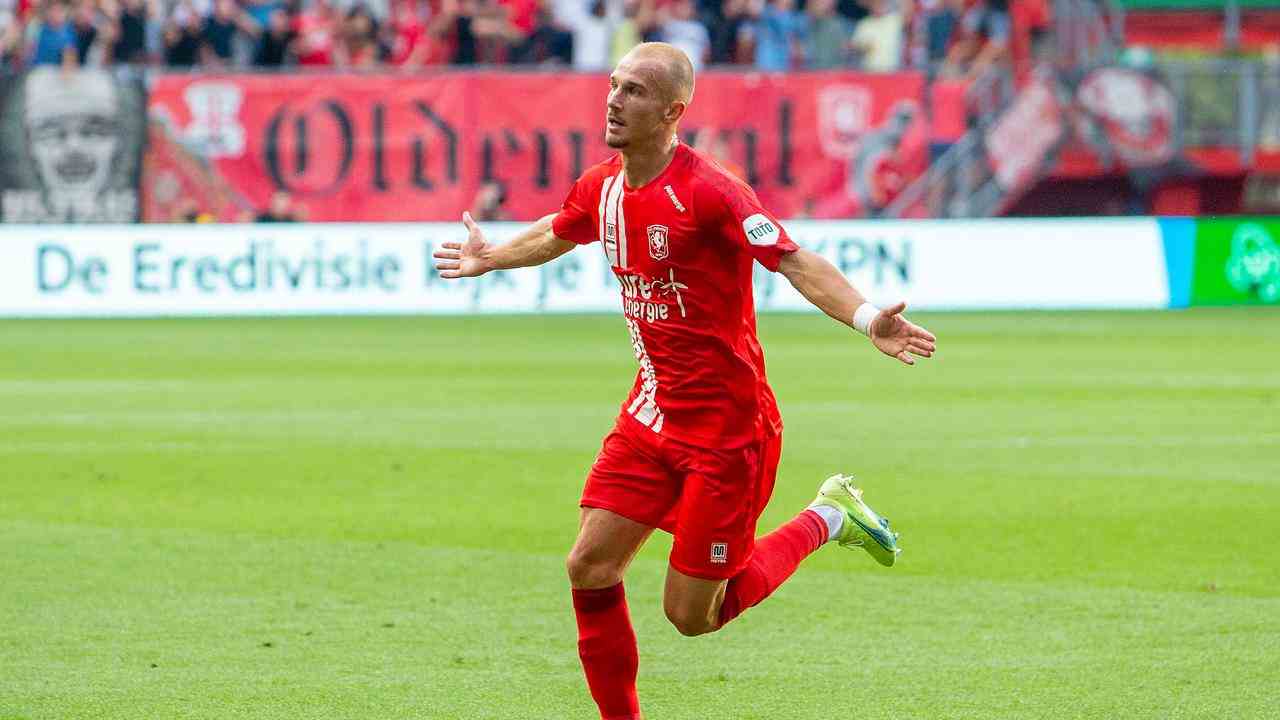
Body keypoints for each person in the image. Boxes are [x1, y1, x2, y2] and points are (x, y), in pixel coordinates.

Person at [432, 42, 936, 720]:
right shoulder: (603, 187)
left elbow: (792, 261)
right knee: (589, 566)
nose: (614, 100)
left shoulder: (711, 192)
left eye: (634, 90)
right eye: (613, 85)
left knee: (692, 616)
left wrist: (867, 315)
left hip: (727, 435)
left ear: (673, 111)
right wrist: (492, 256)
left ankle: (828, 518)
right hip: (649, 417)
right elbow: (561, 229)